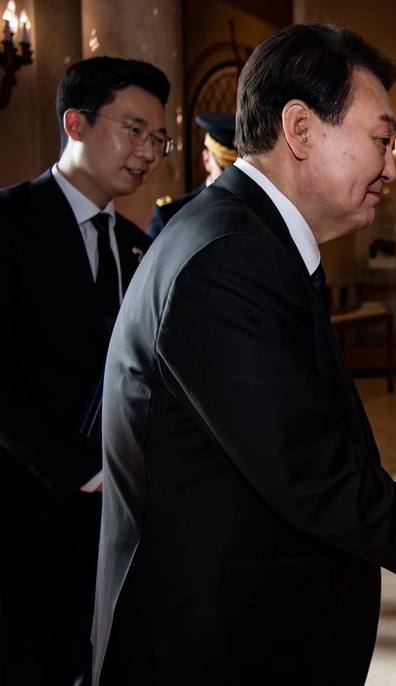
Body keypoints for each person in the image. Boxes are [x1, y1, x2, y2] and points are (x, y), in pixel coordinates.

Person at [92, 22, 396, 686]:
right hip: (213, 645)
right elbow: (311, 474)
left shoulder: (246, 238)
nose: (391, 166)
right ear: (299, 129)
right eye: (381, 139)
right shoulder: (230, 258)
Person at [0, 57, 171, 685]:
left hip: (114, 510)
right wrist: (81, 470)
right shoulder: (10, 223)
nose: (148, 151)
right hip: (26, 506)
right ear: (76, 121)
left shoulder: (137, 245)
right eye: (133, 129)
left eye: (158, 138)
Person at [146, 111, 237, 237]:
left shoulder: (261, 213)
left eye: (240, 170)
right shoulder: (171, 215)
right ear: (206, 160)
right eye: (226, 169)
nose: (235, 178)